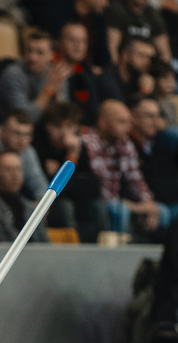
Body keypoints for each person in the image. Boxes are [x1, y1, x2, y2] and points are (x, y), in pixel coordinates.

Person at [82, 99, 170, 238]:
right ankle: (118, 250)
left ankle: (157, 252)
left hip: (118, 201)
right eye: (122, 122)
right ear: (103, 123)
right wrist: (135, 207)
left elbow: (136, 180)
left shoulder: (125, 143)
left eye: (129, 122)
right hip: (94, 202)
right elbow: (101, 188)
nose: (128, 128)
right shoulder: (89, 143)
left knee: (161, 211)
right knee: (120, 209)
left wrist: (148, 203)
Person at [33, 100, 104, 241]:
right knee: (66, 206)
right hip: (53, 203)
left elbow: (94, 185)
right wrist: (71, 157)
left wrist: (73, 155)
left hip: (80, 202)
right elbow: (52, 189)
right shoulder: (38, 146)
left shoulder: (79, 147)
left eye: (70, 127)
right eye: (58, 126)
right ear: (47, 126)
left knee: (98, 206)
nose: (64, 133)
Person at [0, 28, 71, 122]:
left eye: (40, 53)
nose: (32, 57)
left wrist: (58, 97)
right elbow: (25, 119)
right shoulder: (13, 74)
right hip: (8, 127)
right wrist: (49, 90)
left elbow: (64, 118)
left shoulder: (55, 74)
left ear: (51, 55)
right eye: (29, 51)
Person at [105, 0, 172, 64]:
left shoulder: (154, 15)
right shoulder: (117, 11)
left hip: (148, 64)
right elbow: (112, 49)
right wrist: (117, 70)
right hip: (125, 64)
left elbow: (165, 54)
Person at [0, 150, 49, 241]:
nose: (15, 174)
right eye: (8, 169)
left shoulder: (32, 210)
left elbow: (45, 245)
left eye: (18, 169)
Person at [97, 34, 157, 103]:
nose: (148, 62)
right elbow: (119, 107)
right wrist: (144, 92)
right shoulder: (107, 78)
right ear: (125, 55)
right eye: (142, 56)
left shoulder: (141, 78)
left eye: (149, 58)